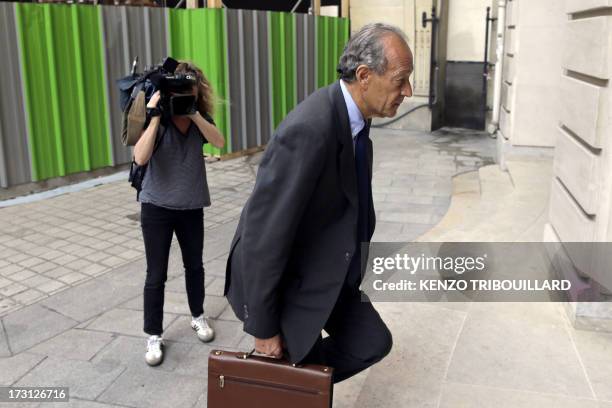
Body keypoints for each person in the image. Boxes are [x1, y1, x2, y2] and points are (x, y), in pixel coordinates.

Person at [224, 23, 414, 383]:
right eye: (400, 79)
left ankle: (290, 381)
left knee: (371, 341)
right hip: (290, 287)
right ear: (364, 76)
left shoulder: (356, 119)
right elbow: (265, 232)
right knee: (305, 388)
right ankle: (287, 381)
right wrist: (263, 327)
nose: (408, 90)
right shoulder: (310, 129)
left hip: (329, 274)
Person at [133, 61, 225, 366]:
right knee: (155, 273)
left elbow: (219, 142)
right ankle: (153, 335)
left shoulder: (199, 117)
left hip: (190, 205)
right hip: (156, 206)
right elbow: (140, 156)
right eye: (179, 88)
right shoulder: (157, 118)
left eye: (190, 86)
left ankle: (197, 316)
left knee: (195, 266)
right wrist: (156, 117)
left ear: (198, 89)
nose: (184, 92)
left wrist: (194, 113)